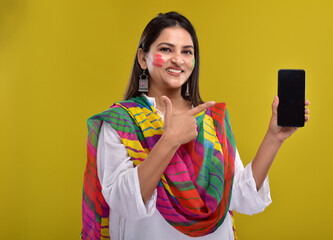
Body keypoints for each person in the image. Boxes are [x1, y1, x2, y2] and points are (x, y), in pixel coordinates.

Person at [81, 11, 310, 240]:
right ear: (143, 58)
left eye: (187, 52)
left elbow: (241, 197)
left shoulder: (211, 120)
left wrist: (274, 138)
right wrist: (169, 140)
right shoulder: (122, 122)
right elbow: (125, 203)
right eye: (166, 49)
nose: (178, 60)